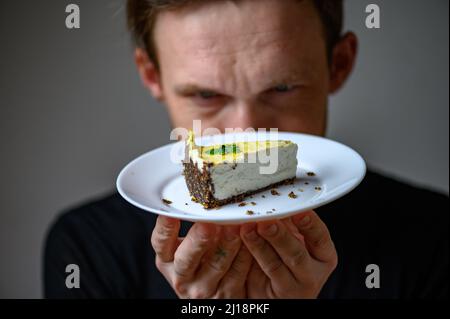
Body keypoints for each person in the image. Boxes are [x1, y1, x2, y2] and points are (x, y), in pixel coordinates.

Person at [44, 0, 448, 298]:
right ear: (153, 76)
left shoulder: (435, 237)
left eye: (282, 88)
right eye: (205, 95)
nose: (246, 135)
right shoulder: (86, 248)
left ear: (338, 65)